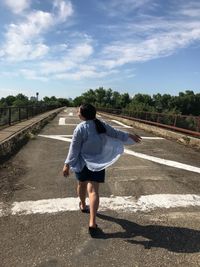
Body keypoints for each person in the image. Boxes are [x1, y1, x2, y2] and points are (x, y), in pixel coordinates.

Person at [63, 104, 142, 237]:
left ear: (83, 114)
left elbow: (74, 148)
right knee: (94, 191)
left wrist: (67, 165)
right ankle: (92, 223)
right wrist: (129, 135)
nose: (77, 113)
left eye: (78, 111)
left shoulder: (80, 128)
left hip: (82, 163)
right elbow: (116, 133)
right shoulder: (101, 124)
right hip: (98, 163)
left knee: (81, 184)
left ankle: (82, 205)